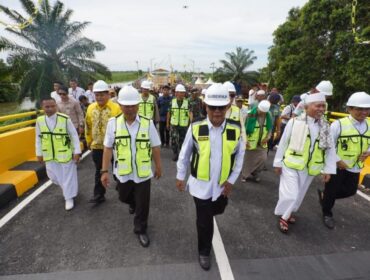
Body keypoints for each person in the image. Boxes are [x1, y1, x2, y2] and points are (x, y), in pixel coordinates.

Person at [176, 83, 245, 271]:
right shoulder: (197, 127)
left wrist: (231, 180)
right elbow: (185, 152)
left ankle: (208, 226)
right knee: (204, 220)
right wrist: (180, 175)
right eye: (212, 107)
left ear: (227, 107)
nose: (216, 111)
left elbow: (240, 156)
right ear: (205, 107)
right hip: (200, 185)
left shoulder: (235, 128)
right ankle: (204, 251)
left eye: (221, 107)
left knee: (218, 209)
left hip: (222, 185)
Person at [101, 85, 161, 247]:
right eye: (126, 105)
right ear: (120, 105)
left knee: (143, 203)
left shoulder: (147, 124)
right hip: (123, 171)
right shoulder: (113, 124)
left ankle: (141, 229)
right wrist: (104, 170)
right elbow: (107, 148)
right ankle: (132, 202)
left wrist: (159, 166)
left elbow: (155, 146)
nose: (129, 108)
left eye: (132, 105)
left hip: (142, 173)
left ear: (138, 105)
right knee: (123, 196)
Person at [273, 93, 336, 233]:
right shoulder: (295, 122)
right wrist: (277, 162)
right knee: (291, 194)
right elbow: (283, 143)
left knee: (299, 194)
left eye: (323, 106)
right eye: (317, 105)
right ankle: (284, 217)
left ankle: (288, 213)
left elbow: (330, 150)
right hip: (291, 164)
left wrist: (328, 170)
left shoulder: (326, 126)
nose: (321, 109)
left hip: (310, 167)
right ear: (307, 107)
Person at [319, 92, 370, 229]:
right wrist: (336, 160)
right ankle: (327, 213)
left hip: (355, 165)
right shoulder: (338, 125)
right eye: (359, 109)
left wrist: (368, 152)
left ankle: (325, 197)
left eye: (367, 109)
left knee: (350, 191)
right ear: (349, 109)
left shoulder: (369, 126)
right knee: (332, 190)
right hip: (337, 166)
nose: (364, 112)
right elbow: (327, 145)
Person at [35, 97, 81, 210]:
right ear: (42, 107)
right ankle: (68, 190)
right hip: (49, 155)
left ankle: (69, 197)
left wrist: (77, 151)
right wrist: (39, 153)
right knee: (53, 176)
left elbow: (74, 135)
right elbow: (38, 138)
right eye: (47, 106)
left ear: (56, 106)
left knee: (68, 177)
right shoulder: (40, 121)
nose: (50, 109)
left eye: (52, 106)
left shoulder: (64, 119)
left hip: (65, 153)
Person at [85, 80, 121, 204]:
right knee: (99, 171)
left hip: (115, 146)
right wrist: (89, 140)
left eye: (102, 94)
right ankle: (99, 195)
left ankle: (123, 188)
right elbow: (88, 125)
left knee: (119, 169)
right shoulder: (90, 108)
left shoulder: (116, 108)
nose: (99, 97)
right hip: (98, 146)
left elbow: (122, 127)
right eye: (97, 94)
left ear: (108, 94)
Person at [242, 100, 272, 182]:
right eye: (261, 111)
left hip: (262, 143)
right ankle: (245, 175)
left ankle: (255, 172)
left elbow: (270, 129)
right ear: (258, 108)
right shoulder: (249, 115)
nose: (262, 113)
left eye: (264, 112)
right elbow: (243, 128)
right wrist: (245, 140)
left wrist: (268, 137)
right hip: (250, 142)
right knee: (248, 160)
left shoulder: (268, 116)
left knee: (263, 159)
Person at [167, 84, 192, 161]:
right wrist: (167, 123)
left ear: (184, 93)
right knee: (174, 140)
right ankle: (175, 153)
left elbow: (190, 113)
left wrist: (191, 123)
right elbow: (169, 113)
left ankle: (181, 154)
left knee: (183, 140)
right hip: (174, 124)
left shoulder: (188, 102)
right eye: (179, 92)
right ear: (176, 93)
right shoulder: (172, 102)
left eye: (182, 92)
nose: (181, 94)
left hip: (183, 125)